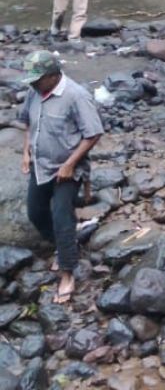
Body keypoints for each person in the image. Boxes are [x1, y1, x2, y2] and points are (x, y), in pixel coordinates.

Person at [19, 51, 104, 304]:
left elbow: (93, 134)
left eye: (38, 79)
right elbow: (28, 123)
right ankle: (66, 245)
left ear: (54, 76)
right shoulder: (34, 92)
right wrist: (26, 152)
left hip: (68, 169)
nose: (33, 84)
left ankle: (67, 274)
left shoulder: (76, 96)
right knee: (35, 212)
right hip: (40, 164)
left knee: (61, 215)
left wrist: (69, 164)